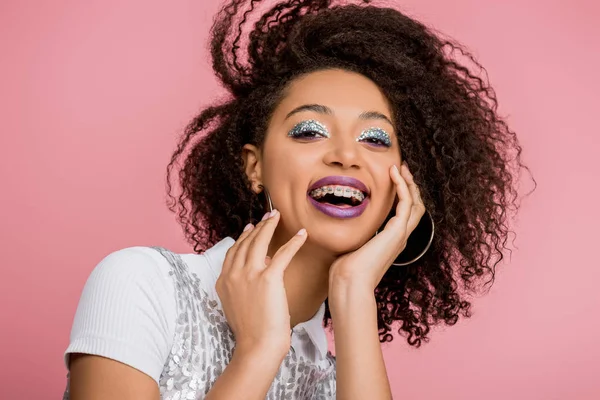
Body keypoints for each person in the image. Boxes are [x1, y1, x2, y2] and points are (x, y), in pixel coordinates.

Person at [62, 0, 527, 398]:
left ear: (404, 186)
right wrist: (260, 351)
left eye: (375, 138)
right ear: (254, 167)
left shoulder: (333, 376)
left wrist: (353, 289)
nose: (346, 155)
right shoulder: (142, 284)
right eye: (309, 131)